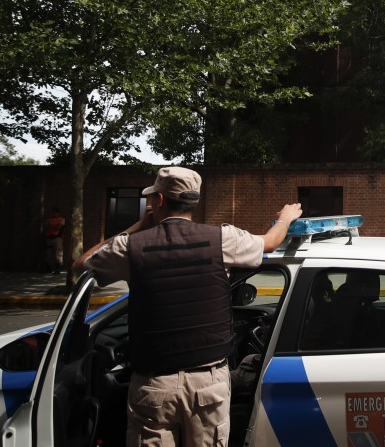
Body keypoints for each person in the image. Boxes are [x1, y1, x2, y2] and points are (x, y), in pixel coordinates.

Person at [73, 166, 302, 447]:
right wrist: (285, 218)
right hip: (208, 385)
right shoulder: (222, 240)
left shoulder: (131, 247)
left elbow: (81, 265)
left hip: (153, 387)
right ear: (194, 201)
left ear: (158, 201)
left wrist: (138, 227)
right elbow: (270, 243)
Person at [42, 207, 66, 274]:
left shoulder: (61, 219)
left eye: (56, 212)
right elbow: (46, 227)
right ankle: (48, 268)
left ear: (58, 213)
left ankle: (57, 269)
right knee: (48, 253)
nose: (54, 214)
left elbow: (59, 227)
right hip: (49, 237)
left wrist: (51, 227)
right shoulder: (50, 219)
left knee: (58, 253)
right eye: (53, 212)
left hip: (57, 238)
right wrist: (54, 227)